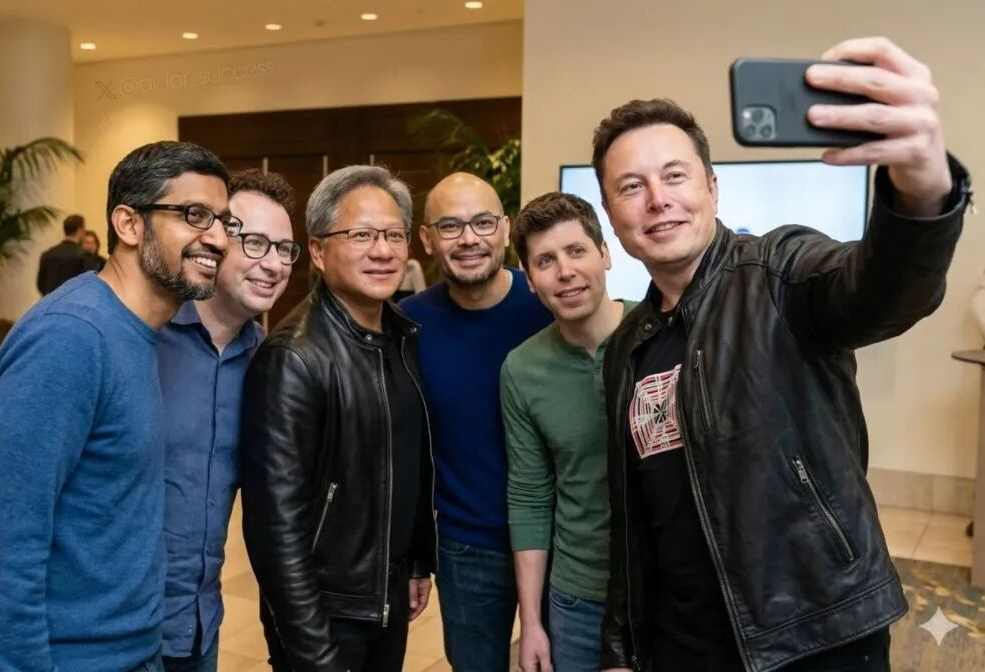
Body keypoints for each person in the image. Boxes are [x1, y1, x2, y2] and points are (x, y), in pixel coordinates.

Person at [596, 38, 972, 672]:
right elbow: (632, 518)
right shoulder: (628, 346)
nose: (657, 198)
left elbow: (881, 288)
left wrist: (922, 192)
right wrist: (620, 647)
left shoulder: (779, 272)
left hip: (815, 631)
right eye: (631, 186)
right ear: (611, 213)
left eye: (675, 175)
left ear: (712, 188)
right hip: (683, 643)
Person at [0, 168, 299, 672]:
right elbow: (6, 531)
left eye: (285, 249)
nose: (272, 263)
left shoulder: (267, 361)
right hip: (92, 637)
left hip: (195, 625)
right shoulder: (131, 328)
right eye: (253, 241)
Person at [241, 165, 436, 672]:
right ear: (319, 251)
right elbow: (275, 529)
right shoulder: (293, 357)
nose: (383, 250)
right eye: (362, 235)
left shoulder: (401, 336)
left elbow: (405, 459)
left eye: (394, 235)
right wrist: (311, 646)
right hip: (326, 612)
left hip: (384, 594)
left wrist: (415, 561)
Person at [399, 172, 552, 671]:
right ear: (426, 239)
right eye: (450, 226)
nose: (469, 238)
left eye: (483, 222)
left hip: (559, 542)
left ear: (505, 229)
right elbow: (404, 447)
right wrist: (415, 554)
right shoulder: (405, 324)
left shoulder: (549, 302)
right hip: (465, 547)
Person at [502, 192, 636, 672]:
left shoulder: (661, 333)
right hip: (578, 600)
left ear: (605, 254)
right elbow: (530, 496)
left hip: (670, 594)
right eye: (545, 261)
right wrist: (532, 622)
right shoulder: (522, 369)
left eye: (577, 251)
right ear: (530, 280)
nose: (565, 272)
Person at [36, 214, 90, 294]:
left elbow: (41, 285)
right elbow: (88, 284)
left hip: (52, 299)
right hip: (74, 299)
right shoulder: (83, 254)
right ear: (80, 230)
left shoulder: (48, 254)